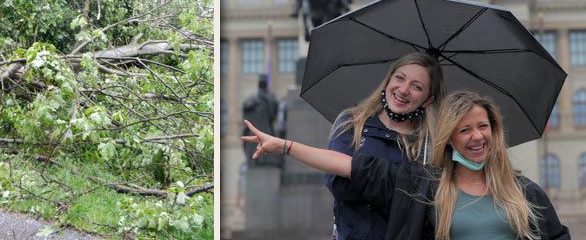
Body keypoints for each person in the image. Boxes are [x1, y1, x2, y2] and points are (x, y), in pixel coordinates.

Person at [242, 90, 570, 240]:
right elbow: (352, 166)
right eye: (464, 130)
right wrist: (284, 145)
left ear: (494, 132)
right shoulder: (424, 185)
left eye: (483, 127)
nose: (476, 137)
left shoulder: (524, 192)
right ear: (450, 139)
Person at [325, 52, 444, 239]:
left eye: (417, 86)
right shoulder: (350, 122)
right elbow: (338, 184)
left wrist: (359, 171)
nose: (404, 90)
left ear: (428, 100)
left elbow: (427, 206)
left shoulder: (432, 144)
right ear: (388, 80)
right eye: (400, 78)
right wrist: (397, 186)